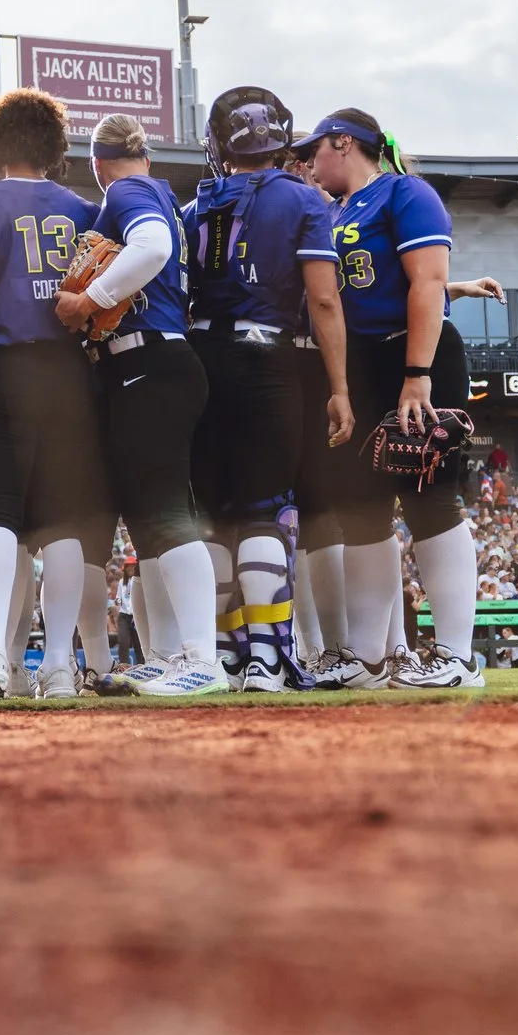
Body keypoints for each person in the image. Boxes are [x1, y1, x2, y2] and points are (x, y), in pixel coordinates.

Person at [293, 106, 486, 689]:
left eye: (315, 149)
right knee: (361, 514)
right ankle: (369, 658)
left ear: (344, 143)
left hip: (414, 355)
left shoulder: (406, 192)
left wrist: (418, 373)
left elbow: (426, 281)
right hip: (364, 364)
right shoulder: (334, 209)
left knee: (430, 499)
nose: (309, 161)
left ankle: (458, 656)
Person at [0, 89, 114, 701]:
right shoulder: (84, 209)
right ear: (53, 146)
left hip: (3, 373)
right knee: (61, 522)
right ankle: (60, 666)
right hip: (69, 375)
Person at [182, 87, 352, 690]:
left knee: (218, 517)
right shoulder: (304, 201)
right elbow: (324, 299)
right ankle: (269, 656)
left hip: (201, 357)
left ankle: (229, 657)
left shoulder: (193, 206)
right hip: (266, 358)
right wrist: (339, 386)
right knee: (266, 511)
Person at [53, 114, 227, 697]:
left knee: (165, 513)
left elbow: (150, 246)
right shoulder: (156, 188)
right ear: (145, 154)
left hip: (149, 360)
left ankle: (202, 657)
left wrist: (89, 299)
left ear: (98, 165)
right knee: (153, 519)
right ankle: (176, 655)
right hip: (153, 362)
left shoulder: (127, 191)